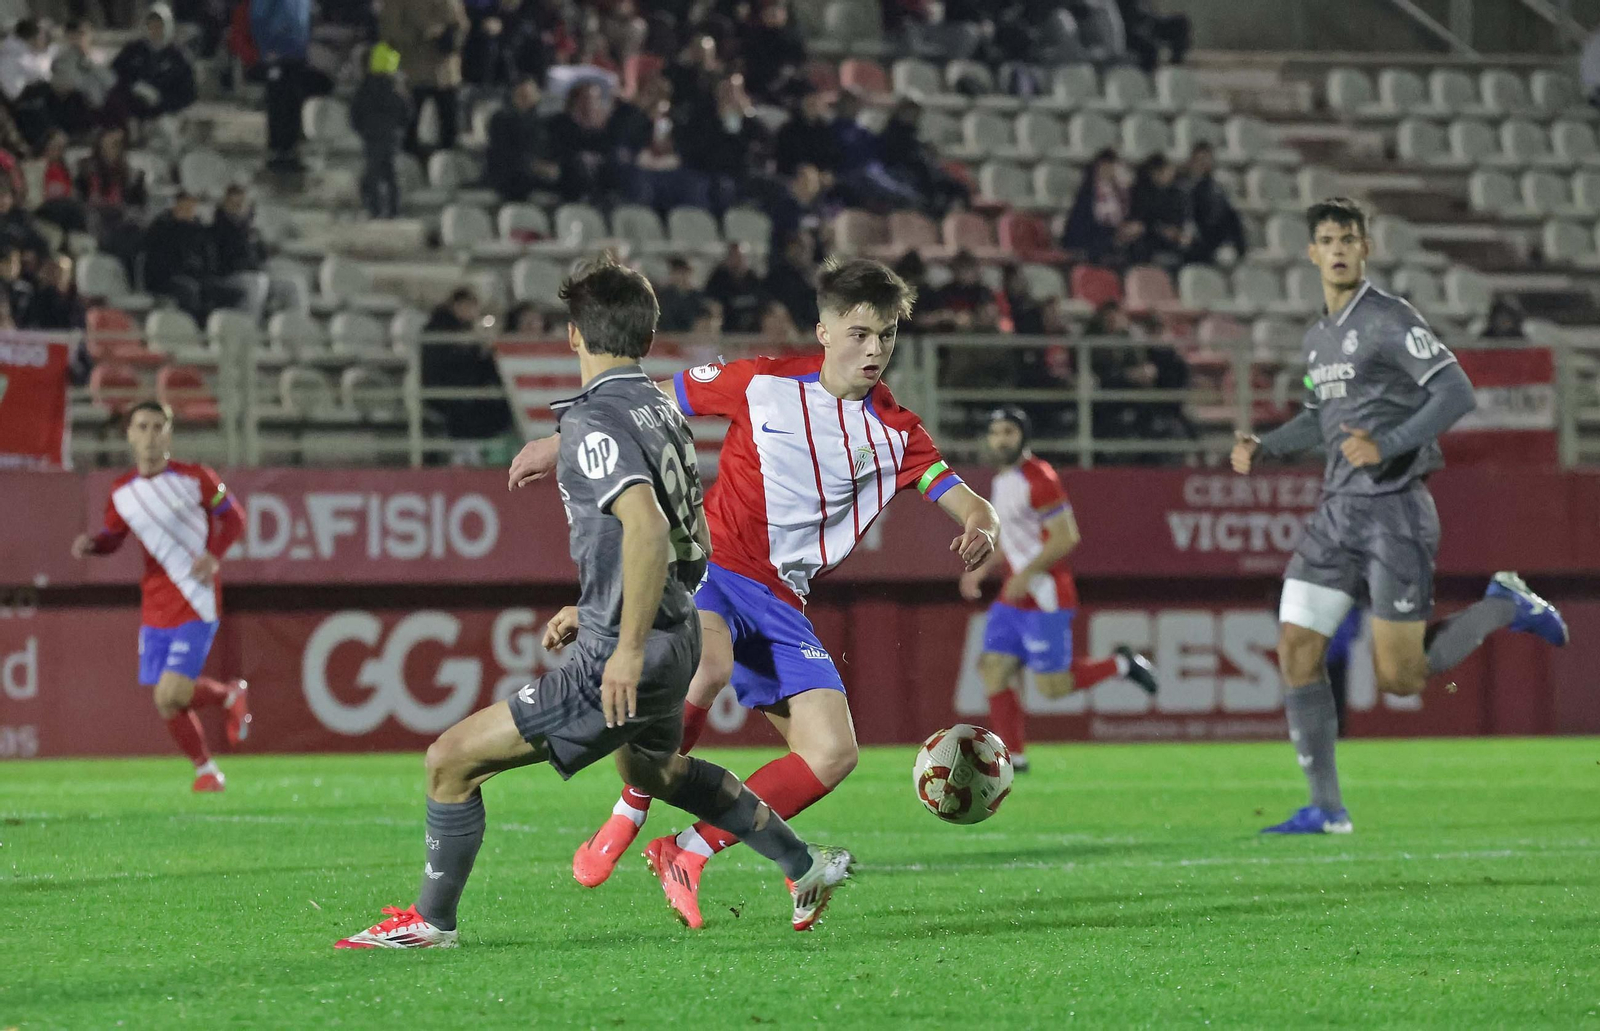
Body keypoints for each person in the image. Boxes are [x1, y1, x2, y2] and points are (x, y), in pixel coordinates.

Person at [334, 259, 855, 948]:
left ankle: (430, 922)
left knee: (450, 760)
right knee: (658, 770)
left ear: (574, 335)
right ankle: (802, 863)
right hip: (679, 632)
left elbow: (646, 528)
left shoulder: (594, 419)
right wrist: (600, 609)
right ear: (648, 335)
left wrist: (625, 646)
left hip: (625, 654)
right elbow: (690, 536)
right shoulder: (661, 411)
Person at [508, 257, 1000, 929]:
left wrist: (981, 524)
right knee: (707, 665)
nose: (874, 350)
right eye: (859, 334)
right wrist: (557, 439)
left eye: (886, 335)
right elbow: (646, 404)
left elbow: (964, 499)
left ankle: (687, 850)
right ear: (824, 331)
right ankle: (630, 808)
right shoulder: (763, 381)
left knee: (833, 753)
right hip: (711, 564)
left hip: (782, 601)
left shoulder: (898, 433)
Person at [1230, 198, 1570, 835]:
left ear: (1365, 249)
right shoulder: (1318, 338)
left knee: (1401, 677)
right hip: (1336, 512)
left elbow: (1456, 391)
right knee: (1296, 651)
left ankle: (1504, 605)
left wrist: (1388, 444)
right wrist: (1266, 447)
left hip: (1394, 511)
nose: (1338, 250)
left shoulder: (1389, 318)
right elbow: (1321, 418)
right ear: (1311, 253)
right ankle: (1327, 809)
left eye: (1348, 239)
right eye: (1327, 240)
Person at [958, 407, 1158, 771]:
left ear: (1023, 436)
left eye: (1008, 432)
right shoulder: (1003, 480)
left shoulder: (1040, 477)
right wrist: (983, 568)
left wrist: (1026, 574)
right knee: (993, 668)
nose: (1001, 439)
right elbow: (1014, 538)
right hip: (1014, 595)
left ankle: (1122, 664)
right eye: (995, 432)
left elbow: (1066, 537)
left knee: (1053, 687)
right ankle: (1014, 757)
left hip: (1046, 594)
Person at [69, 401, 252, 793]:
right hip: (155, 604)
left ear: (169, 434)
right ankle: (206, 769)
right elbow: (113, 537)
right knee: (166, 701)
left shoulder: (197, 477)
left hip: (196, 598)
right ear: (129, 435)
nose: (150, 436)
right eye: (142, 427)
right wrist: (94, 545)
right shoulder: (122, 492)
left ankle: (228, 697)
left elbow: (235, 518)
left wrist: (214, 555)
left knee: (171, 690)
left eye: (158, 427)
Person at [379, 0, 470, 155]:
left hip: (446, 72)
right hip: (415, 72)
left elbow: (462, 26)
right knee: (409, 126)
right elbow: (389, 32)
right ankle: (411, 159)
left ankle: (447, 159)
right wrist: (422, 34)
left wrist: (449, 36)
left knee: (450, 126)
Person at [350, 43, 412, 218]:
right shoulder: (394, 88)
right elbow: (405, 112)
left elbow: (356, 114)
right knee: (389, 174)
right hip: (391, 136)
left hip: (372, 136)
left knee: (373, 173)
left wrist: (361, 129)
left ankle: (374, 208)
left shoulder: (364, 89)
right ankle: (393, 209)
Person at [109, 4, 198, 123]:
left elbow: (189, 94)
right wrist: (133, 87)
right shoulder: (133, 50)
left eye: (160, 25)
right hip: (132, 112)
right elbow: (114, 74)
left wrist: (161, 99)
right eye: (152, 24)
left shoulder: (179, 57)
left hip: (165, 115)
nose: (155, 29)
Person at [251, 0, 313, 171]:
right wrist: (266, 48)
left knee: (294, 103)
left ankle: (291, 149)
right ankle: (277, 151)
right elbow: (258, 17)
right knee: (278, 103)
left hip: (297, 56)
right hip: (277, 55)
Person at [484, 76, 558, 203]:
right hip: (510, 175)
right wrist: (534, 166)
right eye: (522, 95)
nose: (526, 99)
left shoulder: (544, 121)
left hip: (538, 174)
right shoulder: (501, 119)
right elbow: (504, 153)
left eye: (530, 94)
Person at [1063, 148, 1138, 266]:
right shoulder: (1088, 192)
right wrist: (1114, 232)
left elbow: (1123, 214)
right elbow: (1085, 222)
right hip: (1093, 235)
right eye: (1106, 166)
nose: (1110, 170)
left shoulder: (1119, 190)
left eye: (1112, 166)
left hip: (1115, 233)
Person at [1184, 143, 1246, 265]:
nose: (1204, 163)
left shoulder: (1215, 189)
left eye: (1208, 159)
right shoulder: (1182, 185)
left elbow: (1227, 217)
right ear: (1192, 161)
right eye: (1200, 159)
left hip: (1212, 241)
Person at [654, 256, 705, 333]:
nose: (679, 277)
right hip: (667, 335)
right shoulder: (665, 295)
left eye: (682, 273)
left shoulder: (697, 296)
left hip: (690, 336)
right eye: (676, 272)